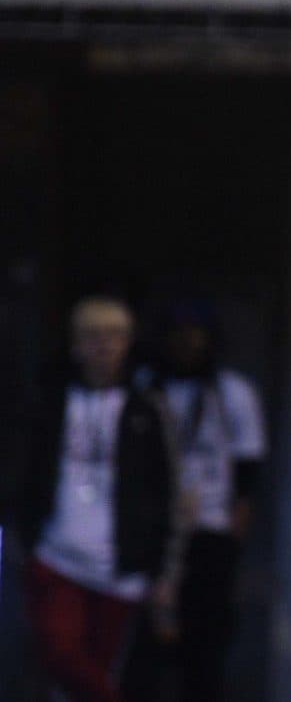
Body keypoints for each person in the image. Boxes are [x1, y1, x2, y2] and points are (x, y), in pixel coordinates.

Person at [12, 297, 181, 702]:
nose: (103, 345)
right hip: (57, 553)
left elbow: (166, 489)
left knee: (96, 669)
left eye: (114, 336)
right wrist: (24, 536)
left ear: (127, 342)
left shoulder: (147, 408)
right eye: (93, 336)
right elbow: (24, 470)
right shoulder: (49, 402)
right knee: (61, 652)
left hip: (119, 564)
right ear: (76, 344)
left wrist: (165, 568)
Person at [140, 300, 267, 702]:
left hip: (210, 526)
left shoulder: (233, 392)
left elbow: (248, 468)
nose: (188, 345)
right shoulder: (145, 387)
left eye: (196, 336)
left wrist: (235, 529)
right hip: (151, 529)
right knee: (149, 641)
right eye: (179, 336)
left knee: (206, 638)